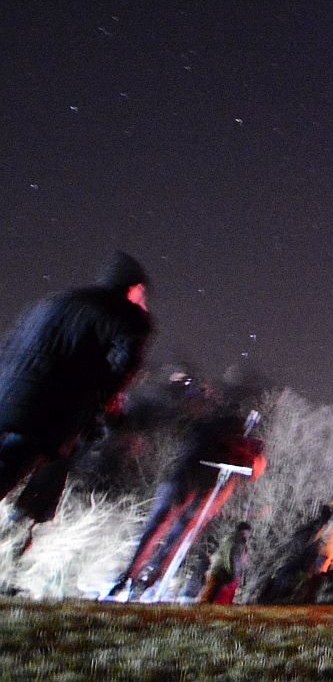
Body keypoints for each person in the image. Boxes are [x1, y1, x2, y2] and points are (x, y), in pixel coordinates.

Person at [0, 252, 154, 499]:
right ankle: (29, 513)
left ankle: (29, 514)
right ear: (134, 288)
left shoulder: (52, 301)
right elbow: (124, 366)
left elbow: (9, 346)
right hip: (42, 413)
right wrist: (106, 405)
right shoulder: (128, 315)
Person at [104, 394, 266, 600]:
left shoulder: (247, 442)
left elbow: (254, 470)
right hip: (189, 478)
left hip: (208, 488)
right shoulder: (213, 426)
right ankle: (132, 578)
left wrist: (245, 455)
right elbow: (194, 437)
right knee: (160, 527)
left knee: (176, 535)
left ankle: (148, 581)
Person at [198, 521, 251, 604]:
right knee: (208, 598)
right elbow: (231, 557)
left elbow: (236, 559)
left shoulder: (238, 542)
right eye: (248, 532)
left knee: (214, 598)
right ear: (244, 531)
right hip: (219, 572)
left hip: (223, 572)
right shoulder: (234, 541)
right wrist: (233, 573)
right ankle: (200, 611)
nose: (249, 535)